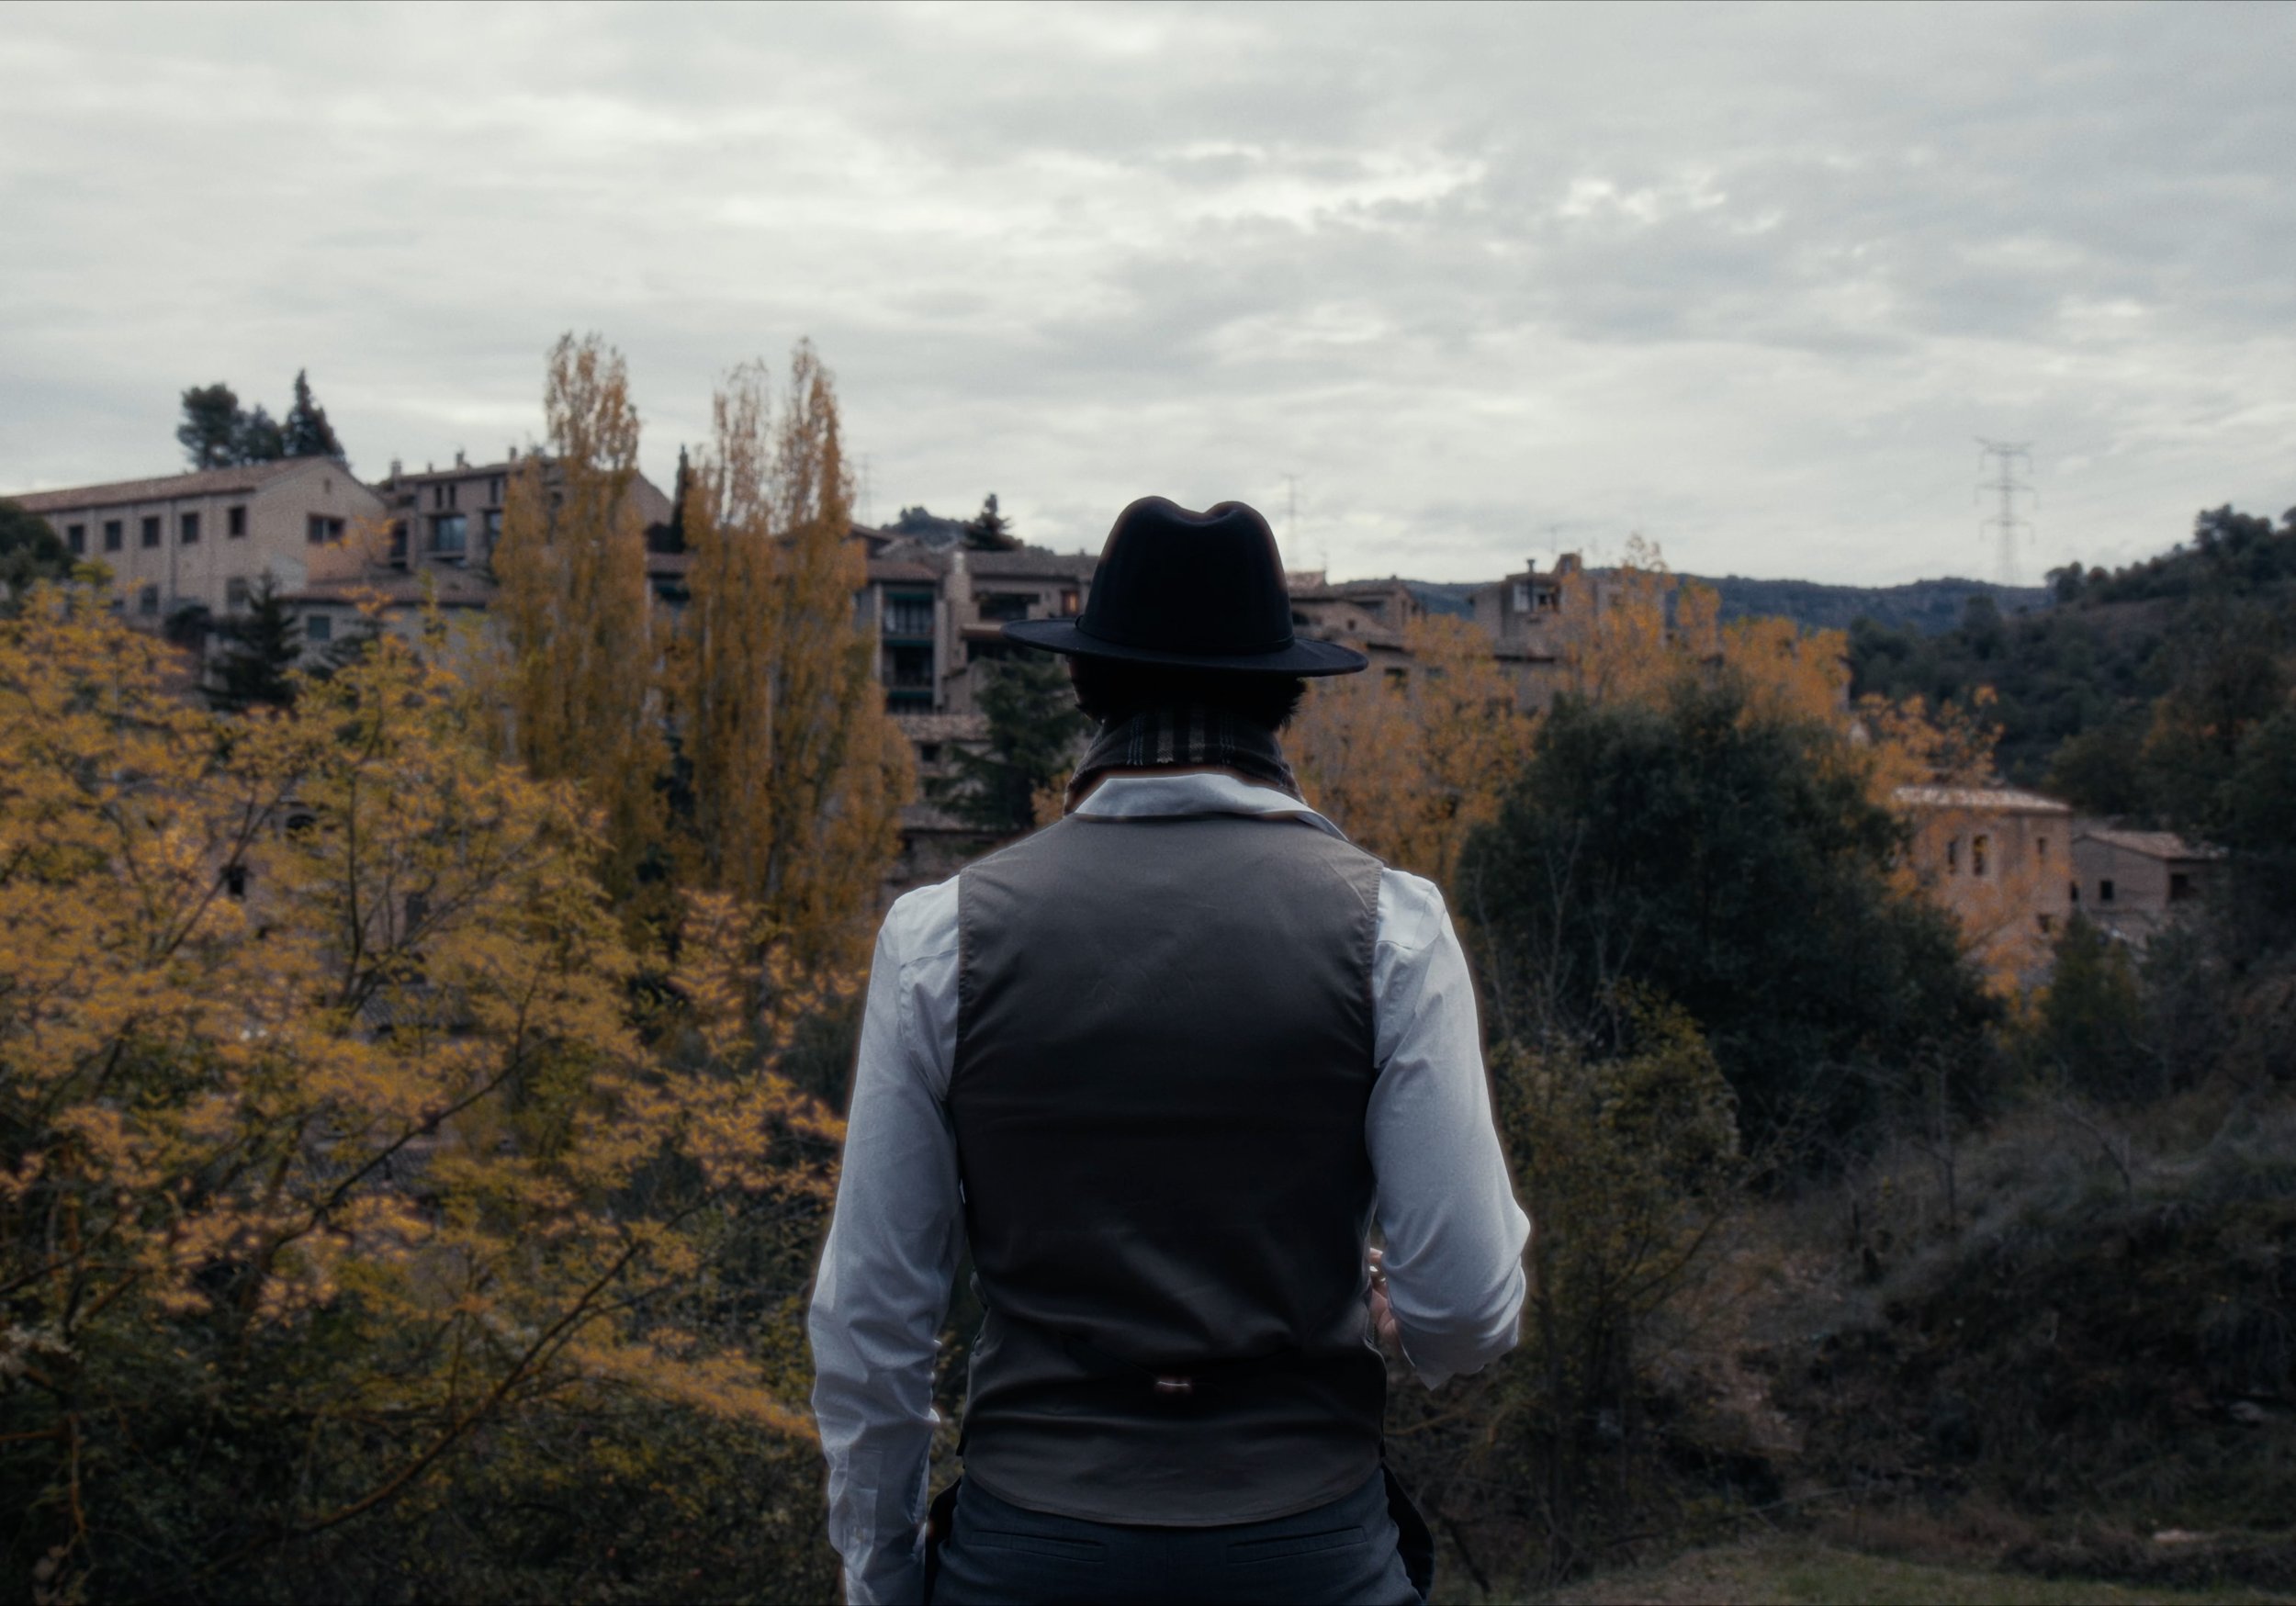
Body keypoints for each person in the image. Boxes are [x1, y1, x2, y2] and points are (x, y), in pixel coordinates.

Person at [809, 497, 1529, 1604]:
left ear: (1086, 687)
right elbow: (1469, 1306)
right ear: (1285, 697)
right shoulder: (1395, 929)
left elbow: (872, 1322)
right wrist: (1406, 1319)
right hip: (1306, 1555)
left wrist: (885, 1574)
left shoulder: (938, 938)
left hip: (1028, 1559)